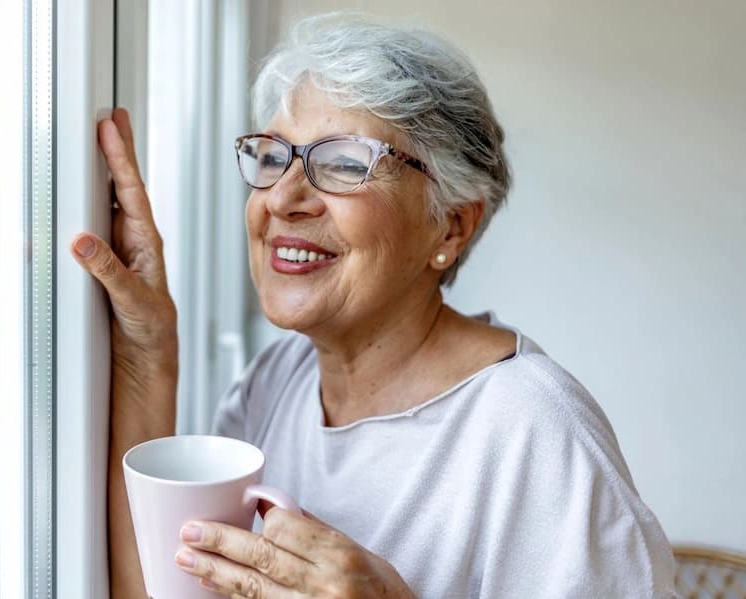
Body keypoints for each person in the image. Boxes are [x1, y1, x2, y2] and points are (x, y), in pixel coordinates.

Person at [70, 13, 678, 599]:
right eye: (274, 156)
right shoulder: (276, 383)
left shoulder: (536, 432)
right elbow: (156, 589)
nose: (283, 197)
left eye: (343, 164)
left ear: (450, 229)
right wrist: (148, 353)